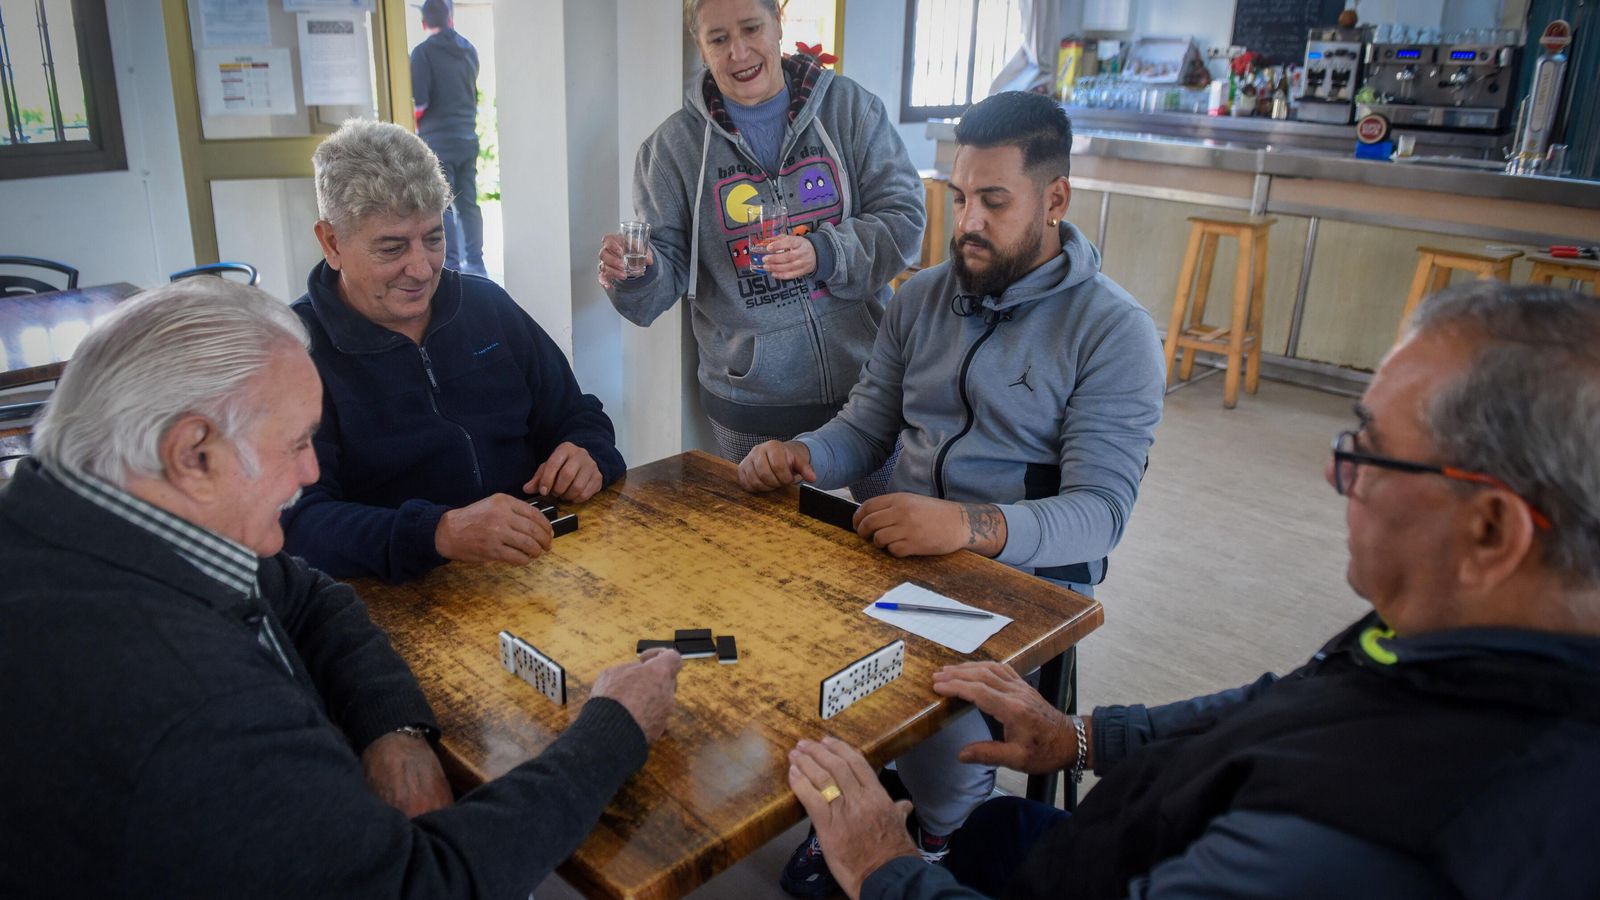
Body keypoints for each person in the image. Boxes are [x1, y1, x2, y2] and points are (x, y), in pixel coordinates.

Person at [784, 282, 1600, 900]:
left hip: (1149, 851)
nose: (1332, 470)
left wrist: (884, 870)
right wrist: (1087, 739)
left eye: (1371, 451)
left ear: (1493, 532)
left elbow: (1098, 513)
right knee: (993, 826)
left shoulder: (1354, 844)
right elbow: (1286, 699)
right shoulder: (1462, 634)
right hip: (1140, 819)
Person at [0, 280, 683, 897]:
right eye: (296, 442)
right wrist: (611, 731)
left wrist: (392, 726)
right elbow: (423, 886)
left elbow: (307, 594)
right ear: (193, 453)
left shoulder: (98, 523)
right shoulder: (193, 710)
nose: (307, 472)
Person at [738, 91, 1165, 894]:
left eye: (993, 202)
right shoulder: (922, 296)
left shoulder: (1115, 332)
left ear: (1056, 200)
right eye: (959, 197)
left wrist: (968, 527)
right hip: (911, 555)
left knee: (919, 698)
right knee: (779, 641)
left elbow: (1099, 517)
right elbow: (864, 429)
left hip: (1025, 583)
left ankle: (932, 836)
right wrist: (800, 455)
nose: (967, 221)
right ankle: (869, 808)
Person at [281, 119, 625, 583]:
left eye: (434, 238)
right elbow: (299, 524)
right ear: (331, 242)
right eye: (392, 248)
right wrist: (438, 533)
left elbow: (576, 414)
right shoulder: (291, 355)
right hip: (389, 598)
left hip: (537, 568)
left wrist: (588, 453)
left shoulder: (487, 307)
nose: (421, 269)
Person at [598, 0, 925, 487]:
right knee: (776, 557)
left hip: (871, 386)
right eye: (719, 39)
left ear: (778, 25)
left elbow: (906, 218)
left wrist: (825, 252)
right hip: (751, 403)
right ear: (700, 46)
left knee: (881, 540)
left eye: (752, 29)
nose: (740, 51)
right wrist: (636, 272)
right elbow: (654, 290)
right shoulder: (671, 149)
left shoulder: (851, 109)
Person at [410, 0, 485, 276]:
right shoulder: (469, 50)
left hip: (438, 143)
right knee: (468, 203)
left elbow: (420, 104)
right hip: (467, 138)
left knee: (442, 206)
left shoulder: (422, 53)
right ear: (450, 19)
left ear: (424, 23)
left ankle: (451, 266)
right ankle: (476, 263)